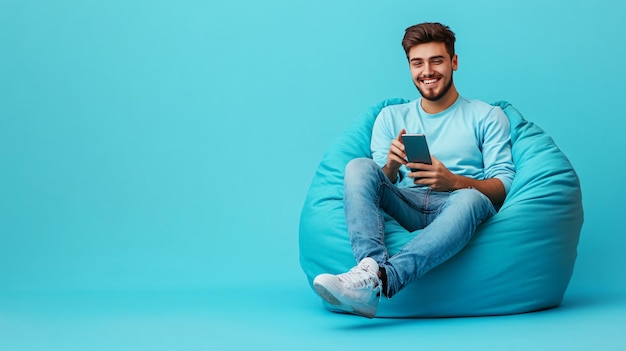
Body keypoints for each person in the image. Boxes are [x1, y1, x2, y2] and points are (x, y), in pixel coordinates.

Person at [312, 22, 516, 318]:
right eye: (417, 63)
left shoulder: (486, 116)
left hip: (458, 206)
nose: (427, 71)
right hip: (406, 201)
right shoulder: (391, 116)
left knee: (470, 198)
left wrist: (453, 182)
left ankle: (384, 280)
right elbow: (380, 185)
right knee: (359, 166)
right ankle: (368, 268)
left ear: (454, 62)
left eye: (437, 60)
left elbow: (504, 185)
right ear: (409, 66)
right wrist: (392, 166)